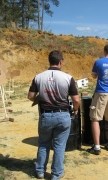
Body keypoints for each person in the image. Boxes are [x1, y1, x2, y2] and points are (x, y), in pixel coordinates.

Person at [27, 50, 80, 179]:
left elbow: (30, 96)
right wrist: (76, 109)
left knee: (44, 143)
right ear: (60, 61)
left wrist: (41, 97)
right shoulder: (68, 78)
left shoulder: (38, 77)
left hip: (46, 115)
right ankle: (56, 174)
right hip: (63, 115)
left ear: (49, 61)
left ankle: (40, 170)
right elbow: (76, 99)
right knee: (59, 146)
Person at [87, 43, 108, 155]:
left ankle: (97, 147)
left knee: (95, 118)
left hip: (101, 92)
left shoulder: (99, 62)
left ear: (104, 51)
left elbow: (94, 75)